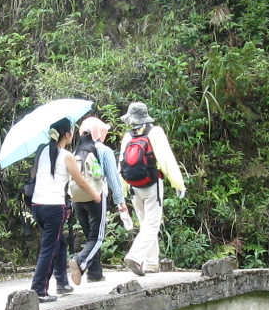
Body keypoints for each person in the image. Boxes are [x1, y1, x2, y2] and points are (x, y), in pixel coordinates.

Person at [29, 118, 100, 303]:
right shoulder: (66, 156)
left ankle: (61, 282)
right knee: (48, 249)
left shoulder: (41, 150)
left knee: (58, 243)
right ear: (67, 134)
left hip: (37, 206)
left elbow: (33, 175)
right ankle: (38, 290)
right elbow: (81, 181)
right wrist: (95, 195)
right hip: (54, 208)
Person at [119, 102, 186, 276]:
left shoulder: (127, 135)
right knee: (152, 223)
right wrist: (178, 183)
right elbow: (167, 159)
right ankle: (135, 256)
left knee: (145, 224)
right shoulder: (155, 132)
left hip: (134, 186)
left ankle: (151, 263)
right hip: (152, 184)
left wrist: (122, 190)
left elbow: (122, 163)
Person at [68, 116, 131, 284]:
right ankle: (80, 260)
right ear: (98, 132)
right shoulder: (103, 150)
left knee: (90, 236)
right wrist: (120, 201)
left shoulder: (76, 151)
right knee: (97, 238)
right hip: (96, 196)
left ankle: (95, 273)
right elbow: (113, 178)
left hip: (77, 198)